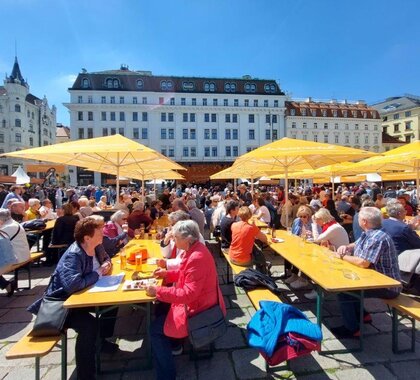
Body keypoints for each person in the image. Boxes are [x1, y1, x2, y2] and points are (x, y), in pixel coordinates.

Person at [28, 217, 117, 380]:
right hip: (63, 303)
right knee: (89, 326)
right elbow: (73, 285)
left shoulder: (96, 247)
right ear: (87, 238)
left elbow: (106, 259)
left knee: (112, 305)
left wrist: (107, 265)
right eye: (99, 232)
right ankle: (85, 375)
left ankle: (101, 341)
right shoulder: (74, 255)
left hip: (87, 294)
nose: (102, 234)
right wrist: (98, 273)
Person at [146, 220, 226, 380]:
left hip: (199, 310)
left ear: (187, 239)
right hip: (199, 302)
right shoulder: (194, 250)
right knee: (161, 311)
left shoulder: (196, 256)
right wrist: (166, 274)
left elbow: (188, 294)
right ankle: (174, 347)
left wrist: (158, 290)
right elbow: (185, 274)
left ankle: (167, 375)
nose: (173, 240)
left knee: (154, 330)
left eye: (175, 238)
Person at [332, 207, 402, 338]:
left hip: (388, 286)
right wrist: (346, 247)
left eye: (358, 218)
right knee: (350, 287)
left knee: (344, 293)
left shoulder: (377, 237)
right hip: (375, 279)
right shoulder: (371, 232)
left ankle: (352, 329)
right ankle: (363, 315)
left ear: (364, 222)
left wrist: (341, 256)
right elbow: (357, 243)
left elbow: (363, 263)